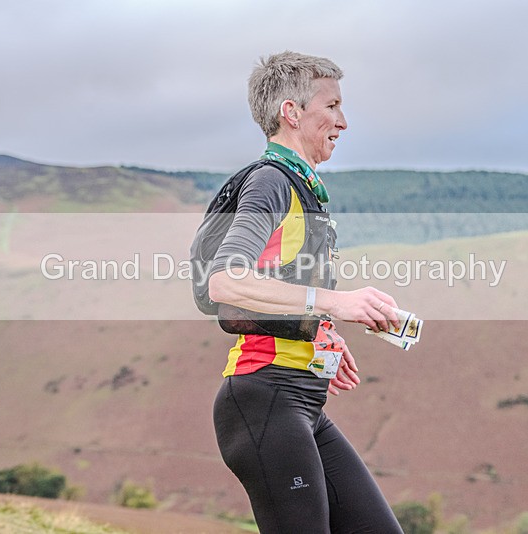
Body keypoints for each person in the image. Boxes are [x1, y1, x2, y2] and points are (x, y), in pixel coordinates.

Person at [208, 51, 404, 533]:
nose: (343, 121)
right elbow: (225, 280)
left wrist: (317, 332)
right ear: (291, 112)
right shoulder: (272, 182)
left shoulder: (299, 187)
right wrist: (337, 302)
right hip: (265, 398)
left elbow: (275, 286)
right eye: (331, 106)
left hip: (301, 402)